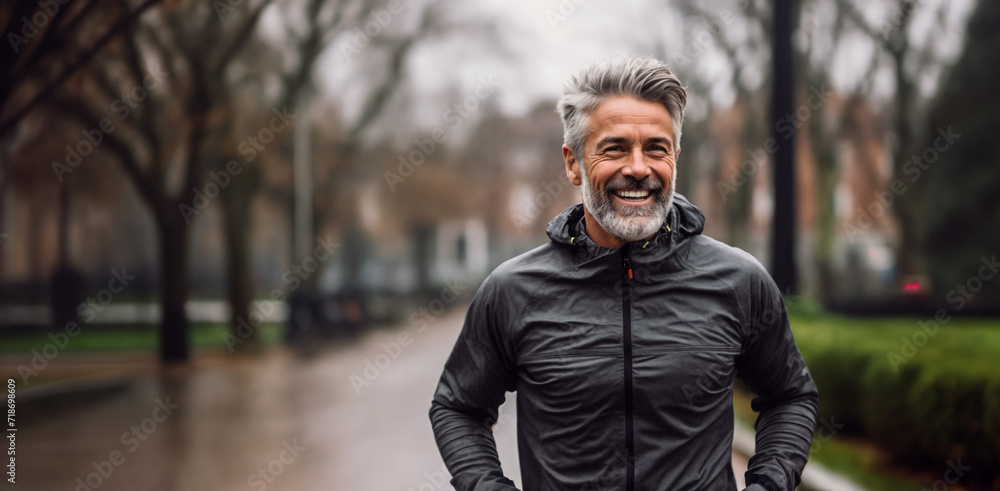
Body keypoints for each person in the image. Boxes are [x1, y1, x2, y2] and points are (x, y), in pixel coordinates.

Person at [429, 54, 819, 491]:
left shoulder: (739, 281)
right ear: (573, 162)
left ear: (675, 157)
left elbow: (790, 396)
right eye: (614, 148)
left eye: (656, 147)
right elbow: (458, 407)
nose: (638, 168)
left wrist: (768, 484)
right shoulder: (513, 291)